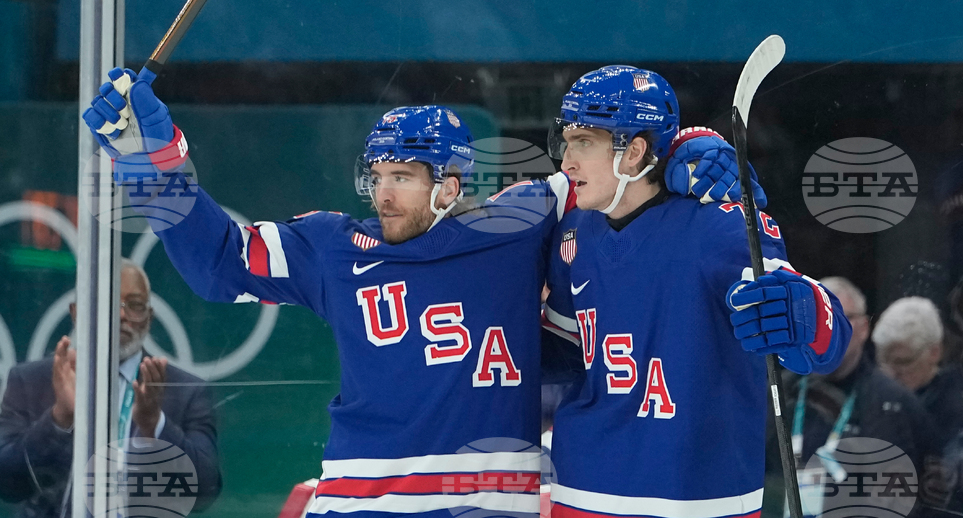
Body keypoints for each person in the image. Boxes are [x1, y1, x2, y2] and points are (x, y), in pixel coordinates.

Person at [81, 66, 758, 518]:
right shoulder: (335, 248)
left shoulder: (519, 225)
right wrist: (152, 159)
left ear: (452, 186)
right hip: (360, 503)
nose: (383, 191)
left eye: (403, 175)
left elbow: (622, 164)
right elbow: (217, 262)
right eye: (377, 174)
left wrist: (693, 142)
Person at [539, 66, 850, 518]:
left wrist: (804, 313)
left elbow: (824, 341)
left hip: (698, 497)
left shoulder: (718, 224)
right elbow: (569, 350)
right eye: (566, 142)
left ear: (634, 152)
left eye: (584, 143)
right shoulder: (575, 229)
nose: (566, 161)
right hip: (582, 491)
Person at [0, 261, 222, 518]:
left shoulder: (184, 390)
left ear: (149, 318)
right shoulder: (31, 381)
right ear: (76, 313)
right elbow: (7, 485)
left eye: (135, 305)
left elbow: (204, 493)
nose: (121, 315)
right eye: (107, 301)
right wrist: (59, 418)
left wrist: (155, 426)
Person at [767, 276, 944, 517]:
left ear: (863, 328)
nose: (826, 332)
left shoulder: (893, 402)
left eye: (837, 319)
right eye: (815, 320)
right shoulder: (779, 393)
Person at [873, 296, 963, 447]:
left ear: (935, 352)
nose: (890, 374)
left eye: (903, 362)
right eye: (882, 362)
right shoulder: (868, 394)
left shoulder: (959, 411)